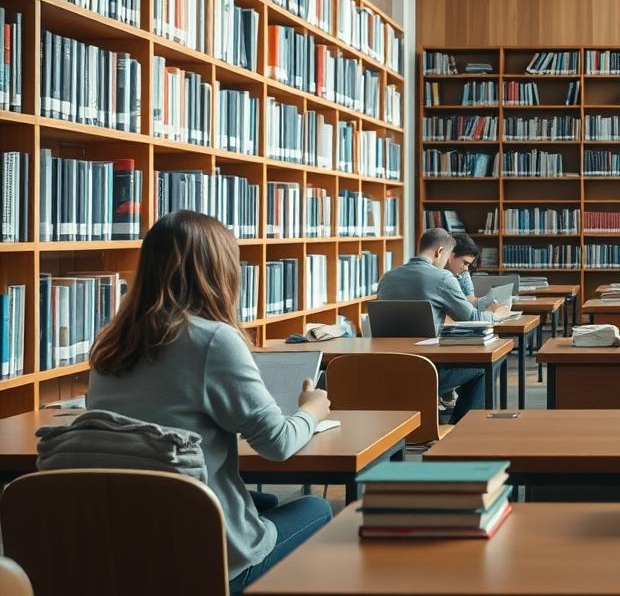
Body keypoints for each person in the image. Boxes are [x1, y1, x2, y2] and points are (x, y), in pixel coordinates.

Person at [86, 210, 333, 595]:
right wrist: (312, 408)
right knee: (318, 509)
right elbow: (278, 444)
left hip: (128, 543)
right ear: (220, 270)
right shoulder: (213, 340)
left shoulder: (111, 341)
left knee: (263, 500)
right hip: (200, 559)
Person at [376, 229, 497, 423]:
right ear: (440, 251)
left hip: (385, 371)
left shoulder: (387, 278)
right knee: (483, 368)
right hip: (426, 372)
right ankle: (462, 430)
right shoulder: (442, 278)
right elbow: (472, 318)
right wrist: (495, 316)